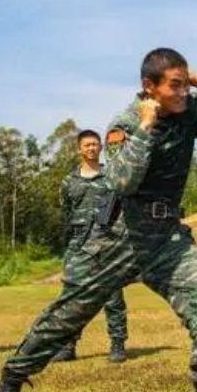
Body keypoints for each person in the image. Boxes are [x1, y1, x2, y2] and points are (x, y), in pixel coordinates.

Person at [0, 48, 197, 392]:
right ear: (149, 87)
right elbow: (122, 182)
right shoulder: (124, 124)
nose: (182, 94)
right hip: (123, 236)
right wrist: (147, 128)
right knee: (68, 314)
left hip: (168, 238)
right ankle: (10, 382)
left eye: (184, 84)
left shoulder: (190, 110)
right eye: (174, 86)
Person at [51, 129, 129, 364]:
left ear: (101, 148)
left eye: (95, 144)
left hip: (106, 242)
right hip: (78, 244)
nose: (92, 148)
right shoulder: (69, 181)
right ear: (79, 149)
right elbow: (66, 211)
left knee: (112, 295)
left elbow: (123, 209)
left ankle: (117, 344)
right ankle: (68, 345)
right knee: (72, 296)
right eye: (87, 145)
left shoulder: (111, 176)